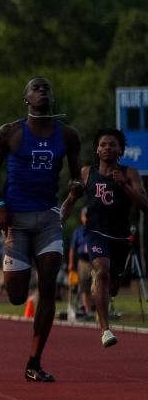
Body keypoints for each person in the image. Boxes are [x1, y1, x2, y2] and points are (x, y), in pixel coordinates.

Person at [0, 76, 81, 382]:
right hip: (16, 219)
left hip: (48, 218)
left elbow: (77, 177)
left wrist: (76, 188)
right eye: (36, 88)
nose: (42, 91)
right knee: (16, 295)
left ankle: (34, 362)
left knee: (49, 283)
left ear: (52, 97)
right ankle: (18, 276)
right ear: (26, 98)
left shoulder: (67, 135)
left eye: (47, 87)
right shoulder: (10, 132)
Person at [62, 128, 148, 348]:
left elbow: (144, 205)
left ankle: (103, 287)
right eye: (103, 144)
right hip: (95, 232)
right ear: (97, 150)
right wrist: (57, 222)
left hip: (120, 237)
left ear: (120, 150)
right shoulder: (86, 173)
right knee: (101, 271)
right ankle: (105, 330)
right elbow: (71, 200)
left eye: (112, 144)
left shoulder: (130, 173)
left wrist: (125, 186)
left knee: (114, 287)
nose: (107, 148)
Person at [67, 207, 93, 319]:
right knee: (84, 286)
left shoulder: (95, 229)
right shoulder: (78, 231)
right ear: (82, 217)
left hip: (94, 261)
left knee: (97, 286)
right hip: (83, 261)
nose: (86, 218)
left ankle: (96, 309)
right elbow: (72, 248)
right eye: (85, 216)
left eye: (88, 216)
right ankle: (88, 310)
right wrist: (71, 263)